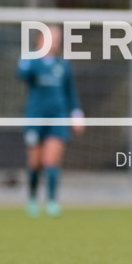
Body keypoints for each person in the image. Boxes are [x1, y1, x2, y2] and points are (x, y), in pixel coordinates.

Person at [18, 23, 84, 217]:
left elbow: (70, 92)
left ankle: (52, 201)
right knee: (35, 162)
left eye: (57, 38)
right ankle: (32, 198)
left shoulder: (63, 65)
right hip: (35, 116)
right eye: (51, 37)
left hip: (58, 116)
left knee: (51, 160)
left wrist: (77, 114)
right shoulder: (32, 60)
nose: (55, 41)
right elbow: (21, 74)